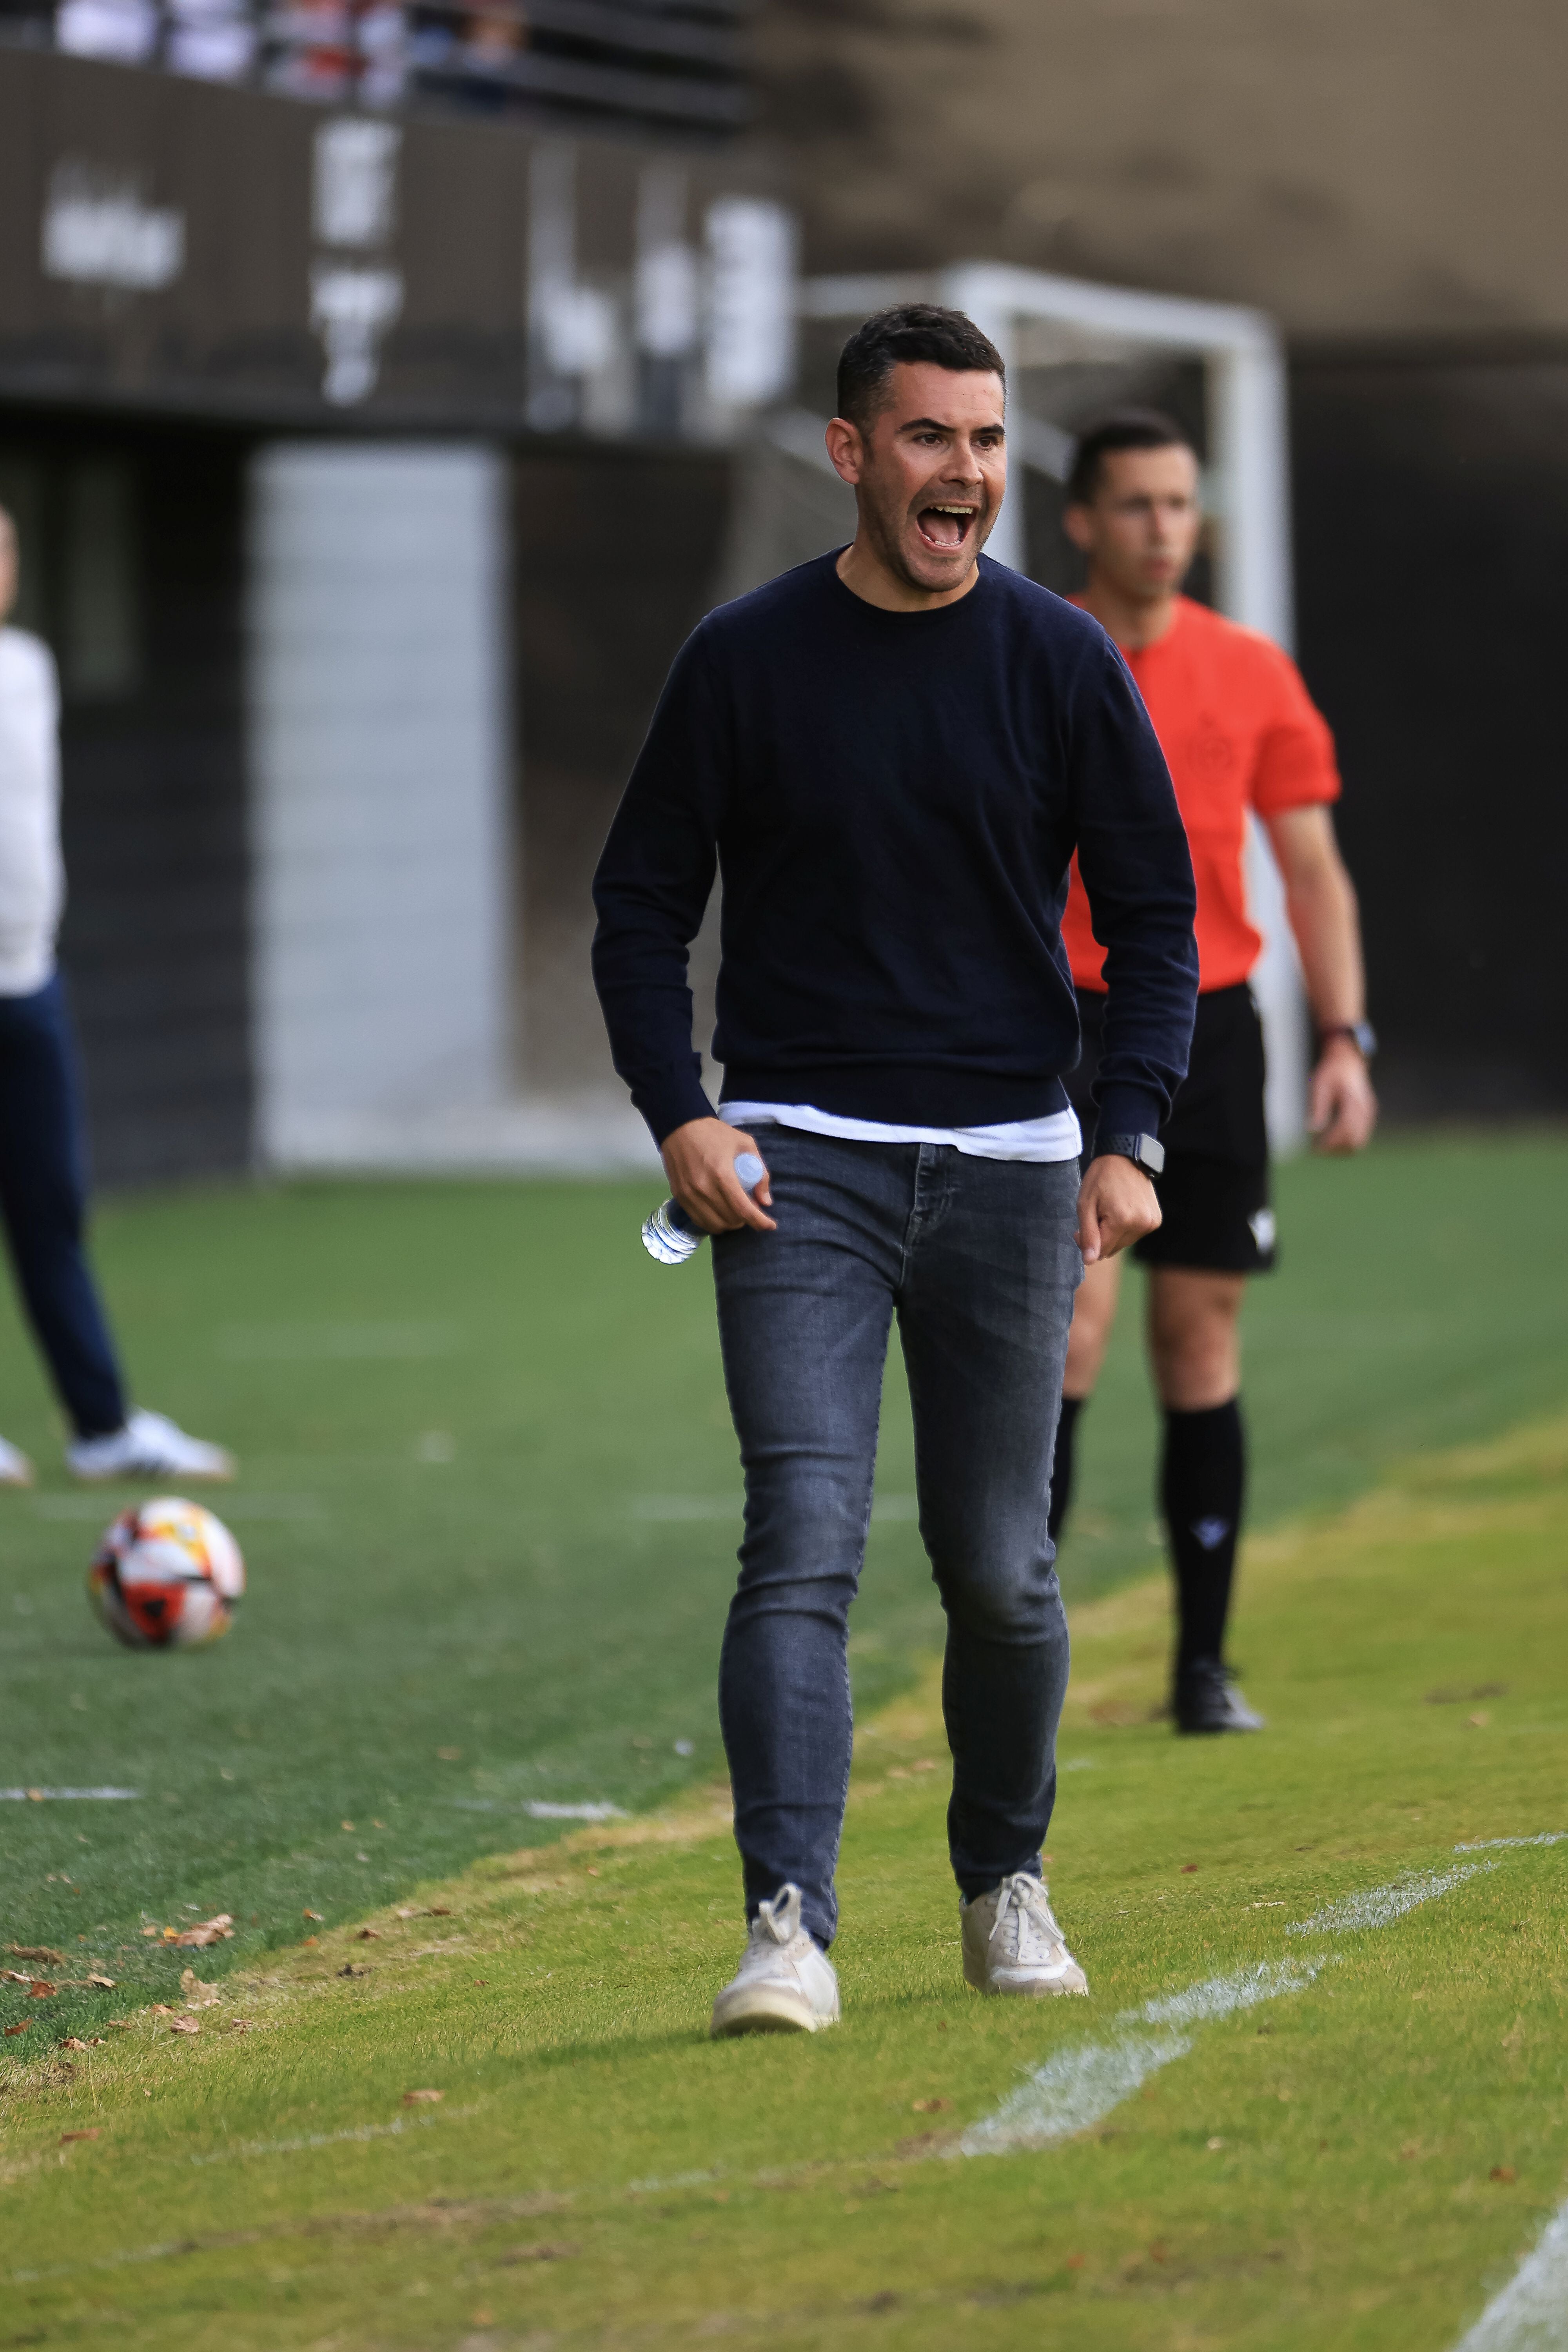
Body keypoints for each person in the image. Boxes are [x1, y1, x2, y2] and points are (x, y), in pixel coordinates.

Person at [592, 306, 1198, 2036]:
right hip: (798, 1170)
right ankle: (786, 1926)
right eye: (931, 438)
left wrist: (1131, 1130)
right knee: (799, 1539)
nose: (969, 475)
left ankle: (1005, 1883)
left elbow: (1156, 926)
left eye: (990, 441)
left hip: (1017, 1170)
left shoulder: (1062, 661)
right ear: (851, 453)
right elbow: (640, 910)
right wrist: (679, 1114)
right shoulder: (741, 658)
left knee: (1002, 1566)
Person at [1047, 410, 1377, 1735]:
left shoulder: (1252, 673)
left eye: (1181, 504)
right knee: (1069, 1329)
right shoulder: (1037, 653)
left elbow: (1309, 870)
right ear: (1083, 520)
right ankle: (1028, 1661)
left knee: (1200, 1339)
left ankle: (1201, 1666)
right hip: (1064, 1024)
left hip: (1215, 1031)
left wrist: (1347, 1038)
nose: (1163, 529)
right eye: (1135, 505)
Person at [0, 504, 233, 1488]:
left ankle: (101, 1428)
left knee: (51, 1206)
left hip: (27, 979)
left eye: (5, 548)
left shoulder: (28, 666)